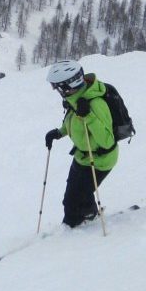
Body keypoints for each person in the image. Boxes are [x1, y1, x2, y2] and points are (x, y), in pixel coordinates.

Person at [43, 60, 117, 228]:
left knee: (75, 201)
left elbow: (107, 141)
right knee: (70, 200)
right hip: (82, 156)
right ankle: (81, 217)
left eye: (56, 87)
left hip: (99, 159)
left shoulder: (95, 104)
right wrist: (59, 132)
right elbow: (73, 122)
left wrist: (88, 115)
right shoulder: (75, 98)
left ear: (67, 85)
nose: (55, 90)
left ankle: (82, 221)